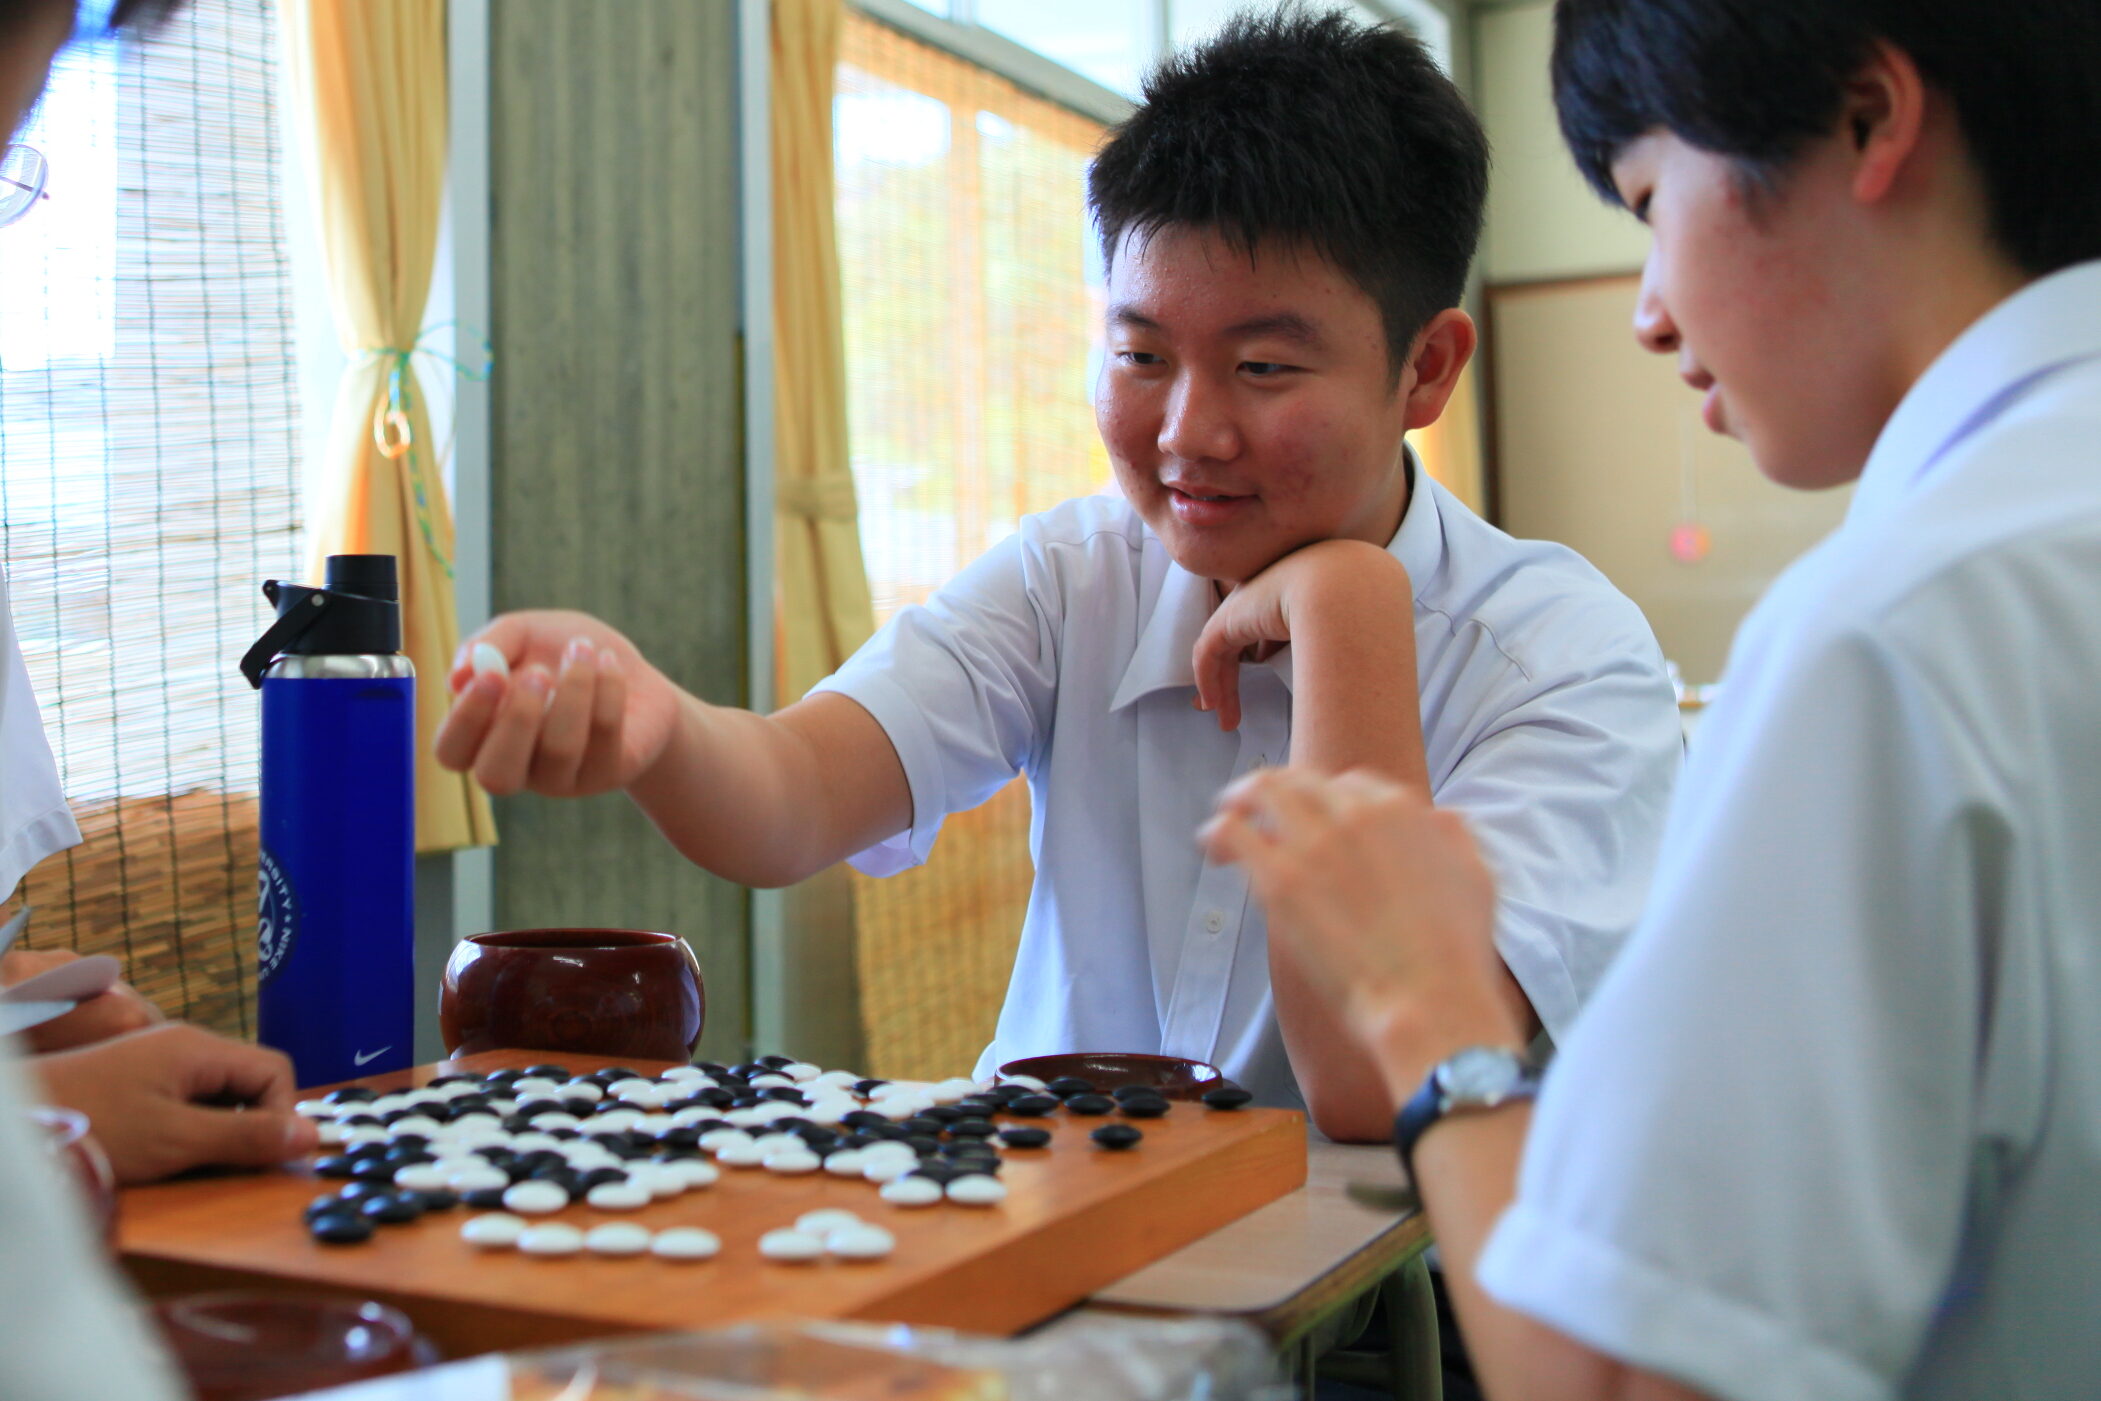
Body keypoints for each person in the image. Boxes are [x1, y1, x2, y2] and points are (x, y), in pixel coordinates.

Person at [436, 9, 1682, 1142]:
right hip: (1041, 1229)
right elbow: (796, 798)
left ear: (1426, 370)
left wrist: (1347, 609)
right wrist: (660, 726)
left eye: (1262, 368)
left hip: (1362, 1299)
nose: (1186, 433)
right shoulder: (1073, 573)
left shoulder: (1562, 660)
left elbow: (1374, 1084)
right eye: (1140, 355)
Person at [1206, 0, 2101, 1397]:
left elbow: (1622, 1379)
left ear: (1868, 119)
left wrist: (1427, 1001)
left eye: (1646, 203)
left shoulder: (1890, 632)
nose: (1647, 311)